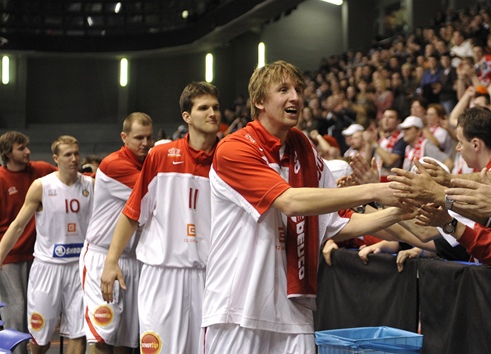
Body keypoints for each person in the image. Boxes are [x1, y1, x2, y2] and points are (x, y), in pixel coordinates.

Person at [200, 60, 415, 353]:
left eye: (299, 90)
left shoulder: (306, 151)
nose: (296, 97)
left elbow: (340, 222)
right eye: (284, 89)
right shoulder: (235, 148)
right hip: (238, 309)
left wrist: (400, 210)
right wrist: (376, 189)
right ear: (259, 101)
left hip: (294, 310)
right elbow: (290, 201)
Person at [100, 82, 220, 353]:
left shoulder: (227, 159)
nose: (212, 113)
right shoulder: (161, 156)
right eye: (204, 108)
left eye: (215, 107)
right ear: (187, 116)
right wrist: (111, 261)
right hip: (162, 273)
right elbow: (132, 213)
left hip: (209, 275)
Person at [0, 135, 92, 354]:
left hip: (79, 268)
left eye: (76, 153)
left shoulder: (92, 185)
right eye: (68, 154)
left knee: (78, 333)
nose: (74, 159)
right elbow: (18, 225)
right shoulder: (41, 186)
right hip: (47, 268)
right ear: (56, 158)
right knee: (40, 338)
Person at [80, 112, 154, 353]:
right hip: (103, 257)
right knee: (102, 336)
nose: (145, 143)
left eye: (149, 138)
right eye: (138, 137)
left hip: (135, 259)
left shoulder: (149, 164)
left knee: (128, 339)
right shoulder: (115, 164)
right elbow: (158, 194)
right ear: (124, 137)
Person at [0, 131, 56, 354]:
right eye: (21, 148)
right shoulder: (1, 179)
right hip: (9, 257)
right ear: (7, 153)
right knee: (16, 310)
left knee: (33, 310)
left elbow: (69, 177)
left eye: (27, 147)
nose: (28, 152)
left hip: (36, 256)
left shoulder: (40, 170)